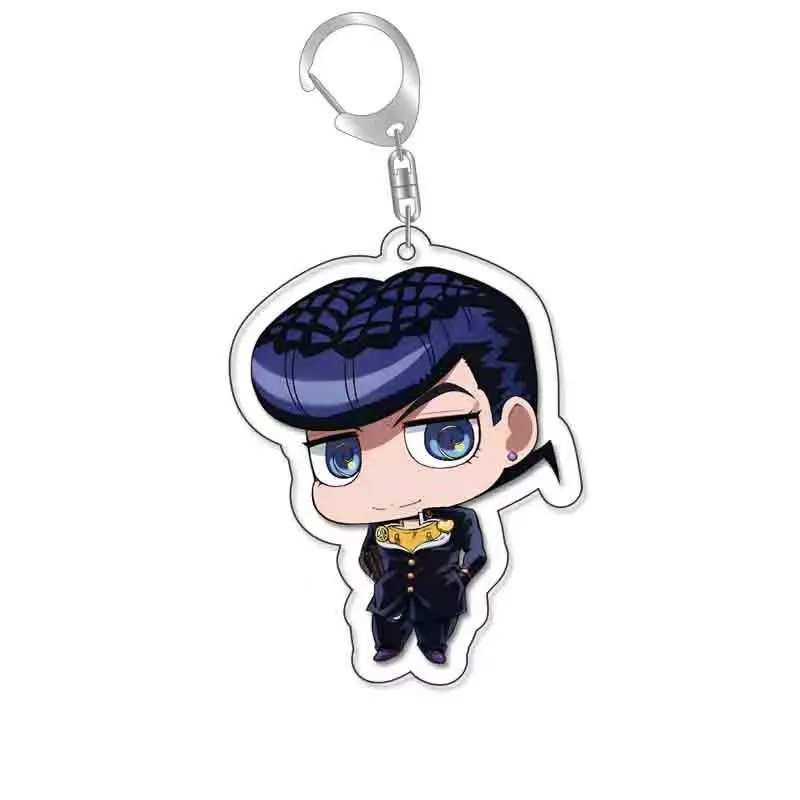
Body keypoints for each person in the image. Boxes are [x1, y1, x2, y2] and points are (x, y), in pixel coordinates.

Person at [250, 267, 556, 664]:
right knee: (387, 627)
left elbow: (477, 552)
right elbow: (367, 555)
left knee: (436, 628)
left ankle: (434, 647)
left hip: (440, 598)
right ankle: (388, 646)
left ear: (514, 432)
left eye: (446, 438)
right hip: (389, 599)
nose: (387, 487)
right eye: (342, 458)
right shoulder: (380, 527)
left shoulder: (461, 519)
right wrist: (380, 576)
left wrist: (461, 578)